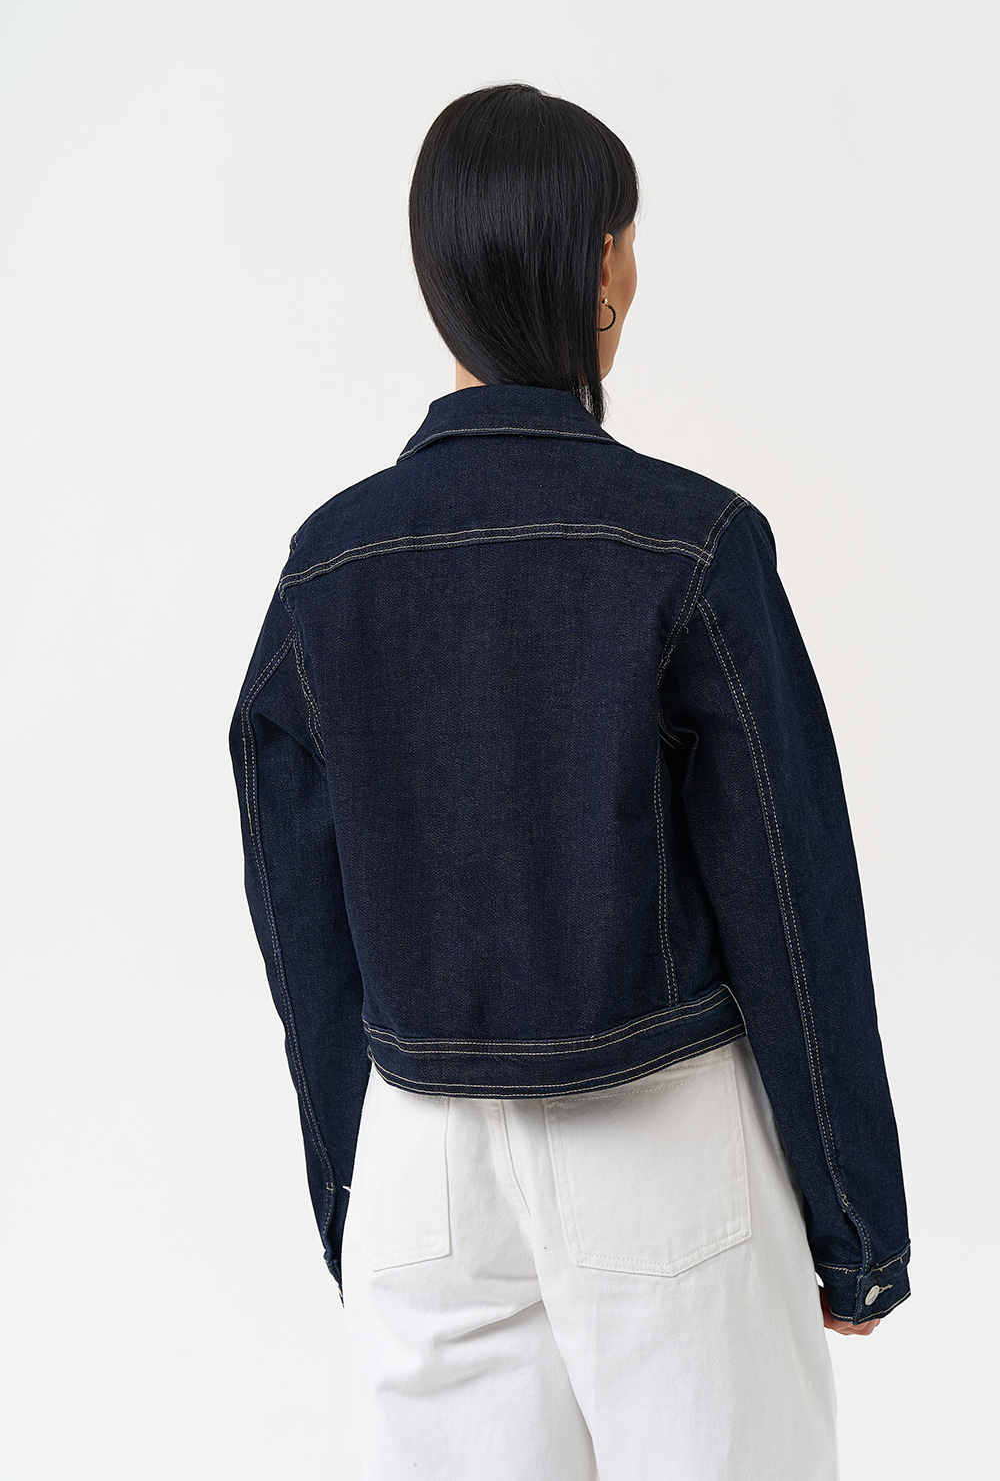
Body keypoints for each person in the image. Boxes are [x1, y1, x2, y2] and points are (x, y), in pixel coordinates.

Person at [229, 83, 910, 1481]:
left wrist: (353, 1191)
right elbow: (791, 893)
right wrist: (856, 1227)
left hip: (422, 1171)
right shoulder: (693, 543)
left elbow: (301, 920)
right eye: (630, 239)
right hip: (660, 1148)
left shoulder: (326, 565)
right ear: (601, 262)